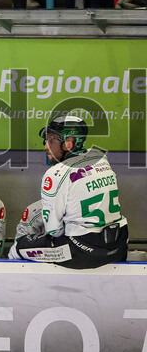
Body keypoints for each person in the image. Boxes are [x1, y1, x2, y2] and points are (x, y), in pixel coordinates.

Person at [10, 115, 128, 268]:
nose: (46, 145)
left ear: (69, 144)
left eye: (51, 139)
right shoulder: (100, 157)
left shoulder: (56, 173)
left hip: (82, 252)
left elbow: (54, 231)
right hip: (118, 245)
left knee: (19, 247)